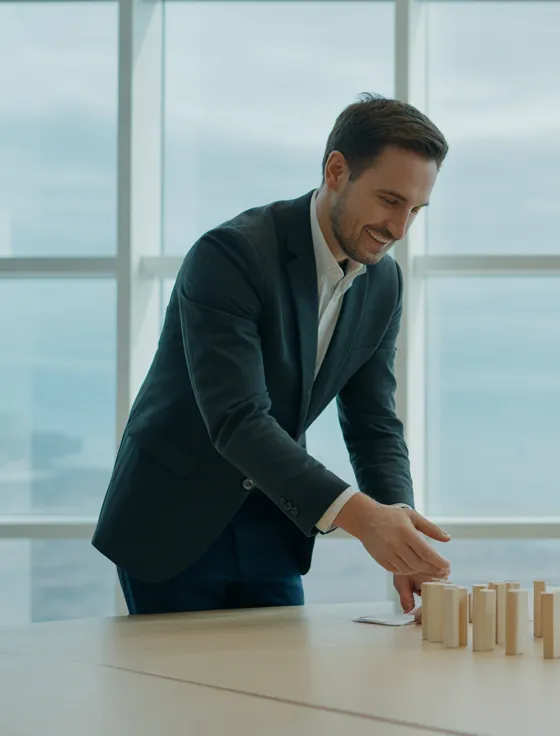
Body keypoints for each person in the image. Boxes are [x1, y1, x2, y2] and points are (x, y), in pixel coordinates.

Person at [93, 94, 454, 616]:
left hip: (276, 519)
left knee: (282, 691)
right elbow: (239, 420)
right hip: (173, 522)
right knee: (180, 696)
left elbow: (374, 422)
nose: (400, 229)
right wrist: (362, 518)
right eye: (389, 200)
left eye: (415, 210)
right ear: (336, 170)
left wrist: (402, 531)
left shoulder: (383, 282)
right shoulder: (230, 256)